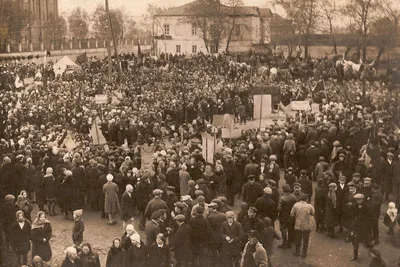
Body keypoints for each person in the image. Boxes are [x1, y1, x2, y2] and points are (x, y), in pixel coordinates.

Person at [290, 194, 315, 258]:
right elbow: (313, 213)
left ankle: (297, 252)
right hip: (306, 225)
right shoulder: (309, 206)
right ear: (307, 199)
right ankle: (304, 253)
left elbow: (291, 214)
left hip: (297, 225)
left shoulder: (296, 205)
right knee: (305, 240)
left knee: (298, 239)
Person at [207, 202, 227, 267]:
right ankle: (222, 263)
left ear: (211, 209)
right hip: (222, 236)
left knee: (214, 252)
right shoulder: (223, 215)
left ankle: (215, 264)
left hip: (213, 237)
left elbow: (208, 228)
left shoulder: (209, 217)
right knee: (221, 251)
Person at [277, 184, 296, 249]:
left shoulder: (282, 199)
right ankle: (289, 243)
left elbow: (279, 209)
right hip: (291, 216)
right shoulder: (293, 197)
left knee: (283, 230)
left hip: (283, 217)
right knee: (290, 230)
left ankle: (284, 243)